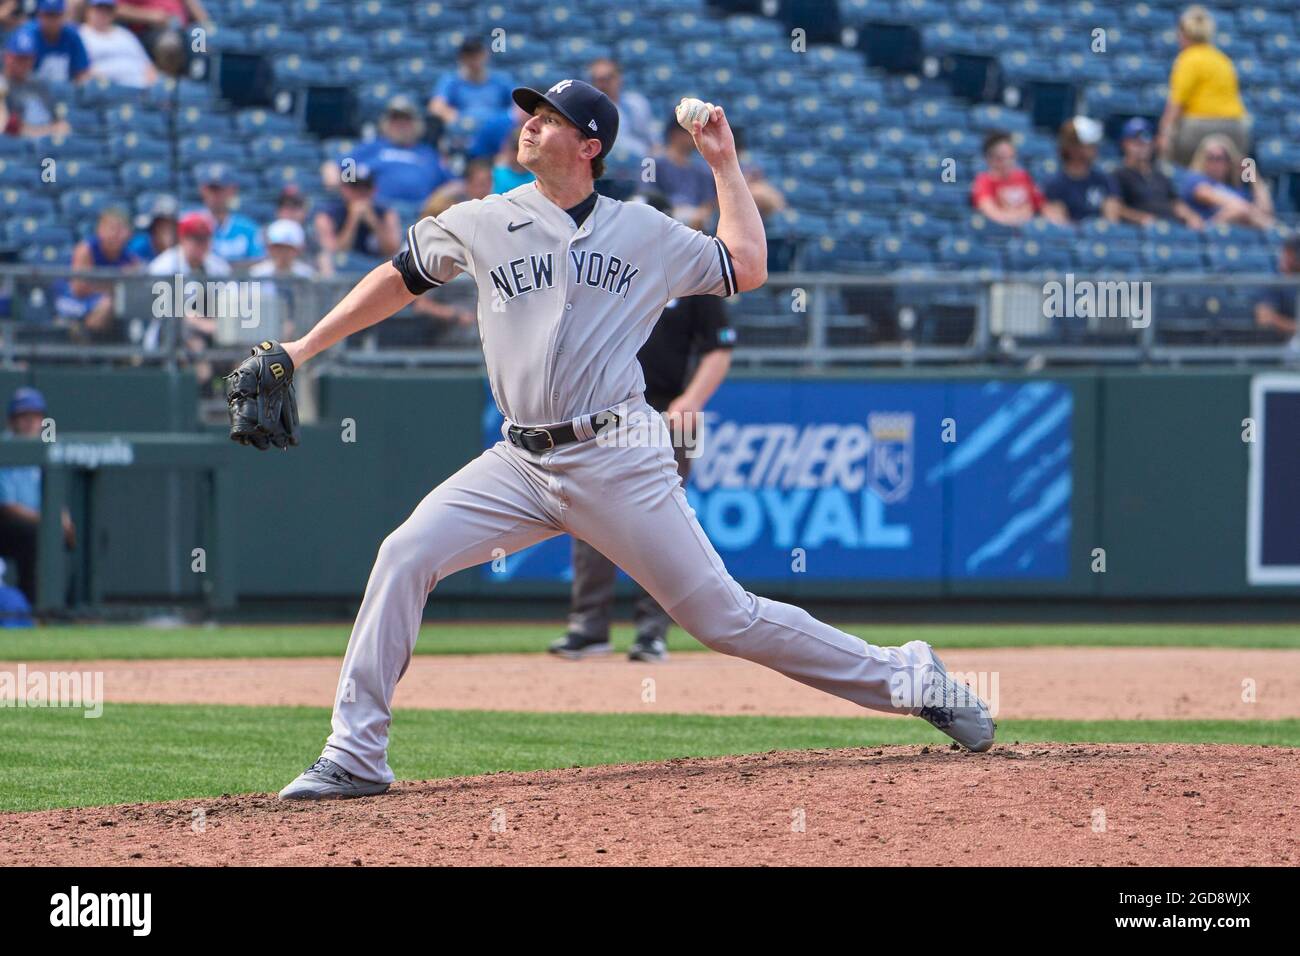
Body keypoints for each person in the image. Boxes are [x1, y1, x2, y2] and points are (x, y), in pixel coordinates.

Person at [252, 78, 993, 801]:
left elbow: (748, 265)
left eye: (549, 116)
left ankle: (908, 675)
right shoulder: (479, 218)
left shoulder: (644, 230)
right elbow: (397, 277)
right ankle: (355, 756)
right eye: (530, 113)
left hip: (617, 454)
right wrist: (300, 349)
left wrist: (723, 164)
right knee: (404, 553)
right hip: (519, 460)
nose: (530, 124)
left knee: (722, 618)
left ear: (590, 144)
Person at [551, 192, 737, 663]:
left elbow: (719, 347)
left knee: (664, 523)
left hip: (668, 409)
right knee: (588, 518)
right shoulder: (596, 271)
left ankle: (652, 632)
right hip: (602, 411)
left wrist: (693, 398)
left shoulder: (686, 272)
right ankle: (588, 627)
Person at [0, 388, 75, 606]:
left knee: (71, 535)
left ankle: (71, 607)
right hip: (9, 525)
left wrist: (64, 520)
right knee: (35, 536)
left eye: (35, 417)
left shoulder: (48, 446)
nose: (30, 423)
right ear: (12, 421)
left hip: (39, 521)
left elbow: (55, 493)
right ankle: (34, 608)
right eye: (24, 417)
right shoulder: (6, 446)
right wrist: (50, 522)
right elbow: (7, 506)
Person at [1158, 5, 1248, 168]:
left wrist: (1164, 134)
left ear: (1184, 34)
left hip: (1200, 127)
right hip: (1236, 128)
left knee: (1166, 155)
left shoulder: (1188, 58)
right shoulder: (1222, 59)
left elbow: (1177, 103)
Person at [339, 96, 451, 207]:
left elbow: (452, 184)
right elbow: (343, 166)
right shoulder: (372, 148)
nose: (400, 125)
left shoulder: (428, 154)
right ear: (386, 123)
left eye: (406, 120)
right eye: (395, 120)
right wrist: (354, 196)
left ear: (417, 124)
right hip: (378, 212)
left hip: (420, 214)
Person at [56, 206, 140, 340]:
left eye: (121, 229)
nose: (116, 235)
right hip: (71, 301)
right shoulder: (86, 250)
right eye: (112, 228)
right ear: (100, 230)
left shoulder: (129, 258)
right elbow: (79, 289)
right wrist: (116, 285)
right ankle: (85, 341)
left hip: (105, 303)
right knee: (108, 303)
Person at [427, 39, 516, 159]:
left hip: (495, 136)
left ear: (485, 55)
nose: (474, 59)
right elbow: (436, 106)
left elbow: (518, 103)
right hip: (464, 134)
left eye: (477, 54)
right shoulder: (452, 81)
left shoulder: (500, 80)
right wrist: (454, 117)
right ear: (462, 58)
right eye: (469, 55)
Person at [1113, 117, 1203, 229]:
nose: (1141, 147)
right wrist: (1141, 218)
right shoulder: (1118, 174)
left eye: (1145, 142)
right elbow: (1115, 208)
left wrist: (1191, 216)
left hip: (1170, 227)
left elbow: (1175, 203)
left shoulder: (1160, 175)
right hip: (1138, 233)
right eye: (1135, 142)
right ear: (1125, 144)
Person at [1178, 133, 1273, 229]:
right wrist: (1246, 210)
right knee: (1237, 211)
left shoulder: (1236, 189)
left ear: (1229, 162)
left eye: (1220, 158)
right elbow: (1206, 194)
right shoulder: (1195, 179)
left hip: (1237, 233)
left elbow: (1266, 211)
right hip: (1207, 232)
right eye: (1210, 158)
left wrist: (1254, 178)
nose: (1215, 163)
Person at [314, 163, 400, 267]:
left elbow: (392, 251)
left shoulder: (385, 212)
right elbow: (334, 253)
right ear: (344, 188)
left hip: (376, 268)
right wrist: (353, 220)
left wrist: (374, 222)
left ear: (374, 190)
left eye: (366, 188)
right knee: (324, 259)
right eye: (355, 188)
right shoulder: (329, 213)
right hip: (342, 272)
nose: (361, 193)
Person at [1043, 116, 1120, 224]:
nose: (1095, 149)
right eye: (1089, 145)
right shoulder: (1055, 184)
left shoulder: (1104, 180)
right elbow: (1060, 224)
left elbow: (1111, 222)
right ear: (1072, 147)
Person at [970, 130, 1050, 226]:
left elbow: (1039, 206)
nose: (1008, 162)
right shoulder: (984, 181)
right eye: (1002, 157)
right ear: (989, 159)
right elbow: (991, 211)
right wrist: (1016, 217)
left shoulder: (1023, 176)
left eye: (1011, 157)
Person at [1, 27, 69, 139]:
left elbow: (61, 123)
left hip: (48, 144)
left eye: (28, 58)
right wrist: (46, 131)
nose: (24, 63)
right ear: (7, 57)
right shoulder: (2, 85)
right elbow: (7, 127)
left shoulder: (40, 84)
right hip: (19, 148)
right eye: (19, 58)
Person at [115, 0, 209, 78]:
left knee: (201, 36)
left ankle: (199, 86)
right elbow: (116, 9)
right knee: (169, 43)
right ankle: (168, 89)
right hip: (151, 30)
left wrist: (207, 27)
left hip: (182, 30)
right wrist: (150, 16)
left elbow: (199, 13)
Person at [655, 115, 718, 230]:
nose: (696, 134)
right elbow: (646, 196)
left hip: (695, 218)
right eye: (690, 130)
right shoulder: (652, 162)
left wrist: (701, 214)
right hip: (664, 216)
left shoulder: (702, 168)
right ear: (675, 134)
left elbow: (708, 204)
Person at [195, 162, 265, 266]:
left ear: (232, 190)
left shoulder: (248, 228)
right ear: (203, 190)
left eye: (220, 189)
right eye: (211, 189)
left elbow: (258, 263)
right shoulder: (192, 225)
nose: (215, 195)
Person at [78, 0, 156, 89]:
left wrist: (151, 86)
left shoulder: (125, 34)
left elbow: (148, 67)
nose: (103, 13)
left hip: (140, 89)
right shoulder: (80, 35)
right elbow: (81, 73)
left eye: (108, 10)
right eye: (99, 9)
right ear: (87, 11)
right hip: (105, 90)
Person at [23, 0, 91, 85]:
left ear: (64, 15)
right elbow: (19, 72)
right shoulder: (27, 36)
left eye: (56, 15)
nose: (52, 21)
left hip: (66, 92)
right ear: (39, 15)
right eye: (48, 15)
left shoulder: (71, 35)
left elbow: (82, 72)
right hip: (33, 91)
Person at [1254, 236, 1299, 339]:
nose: (1287, 257)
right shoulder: (1274, 282)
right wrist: (1295, 327)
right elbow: (1264, 318)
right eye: (1287, 253)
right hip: (1284, 343)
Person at [126, 193, 177, 260]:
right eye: (161, 224)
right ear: (154, 226)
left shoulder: (180, 246)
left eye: (169, 224)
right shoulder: (139, 245)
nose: (166, 229)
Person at [491, 125, 534, 194]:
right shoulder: (495, 174)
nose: (518, 153)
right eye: (515, 148)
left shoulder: (538, 178)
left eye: (521, 148)